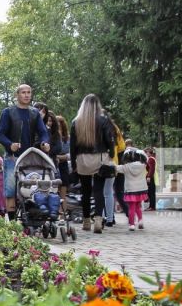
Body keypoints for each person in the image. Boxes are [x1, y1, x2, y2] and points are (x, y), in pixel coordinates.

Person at [0, 84, 50, 220]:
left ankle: (33, 213)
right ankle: (13, 221)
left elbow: (43, 132)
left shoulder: (34, 113)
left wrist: (45, 143)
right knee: (11, 189)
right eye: (23, 92)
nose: (26, 95)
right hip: (12, 157)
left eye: (29, 92)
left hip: (30, 157)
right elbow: (0, 135)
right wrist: (10, 145)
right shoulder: (8, 112)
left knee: (34, 185)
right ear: (17, 95)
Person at [69, 94, 115, 234]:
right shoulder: (103, 120)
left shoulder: (76, 122)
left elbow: (72, 145)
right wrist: (111, 154)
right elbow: (109, 139)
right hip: (100, 157)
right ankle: (99, 221)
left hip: (83, 159)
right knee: (99, 191)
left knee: (85, 191)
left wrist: (74, 162)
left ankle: (86, 221)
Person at [115, 148, 149, 230]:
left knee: (131, 207)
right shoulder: (143, 165)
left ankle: (132, 224)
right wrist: (138, 151)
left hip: (130, 190)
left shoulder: (125, 167)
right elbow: (147, 159)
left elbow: (116, 168)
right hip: (141, 189)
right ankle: (140, 221)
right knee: (138, 206)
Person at [105, 118, 128, 226]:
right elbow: (122, 148)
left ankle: (109, 217)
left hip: (104, 164)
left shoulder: (96, 127)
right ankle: (113, 217)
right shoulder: (115, 129)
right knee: (115, 193)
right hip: (115, 163)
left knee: (105, 192)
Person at [55, 115, 71, 216]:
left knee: (63, 193)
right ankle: (55, 212)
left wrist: (60, 157)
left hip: (63, 166)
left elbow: (70, 155)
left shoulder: (67, 139)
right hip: (54, 166)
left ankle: (62, 215)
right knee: (54, 190)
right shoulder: (52, 137)